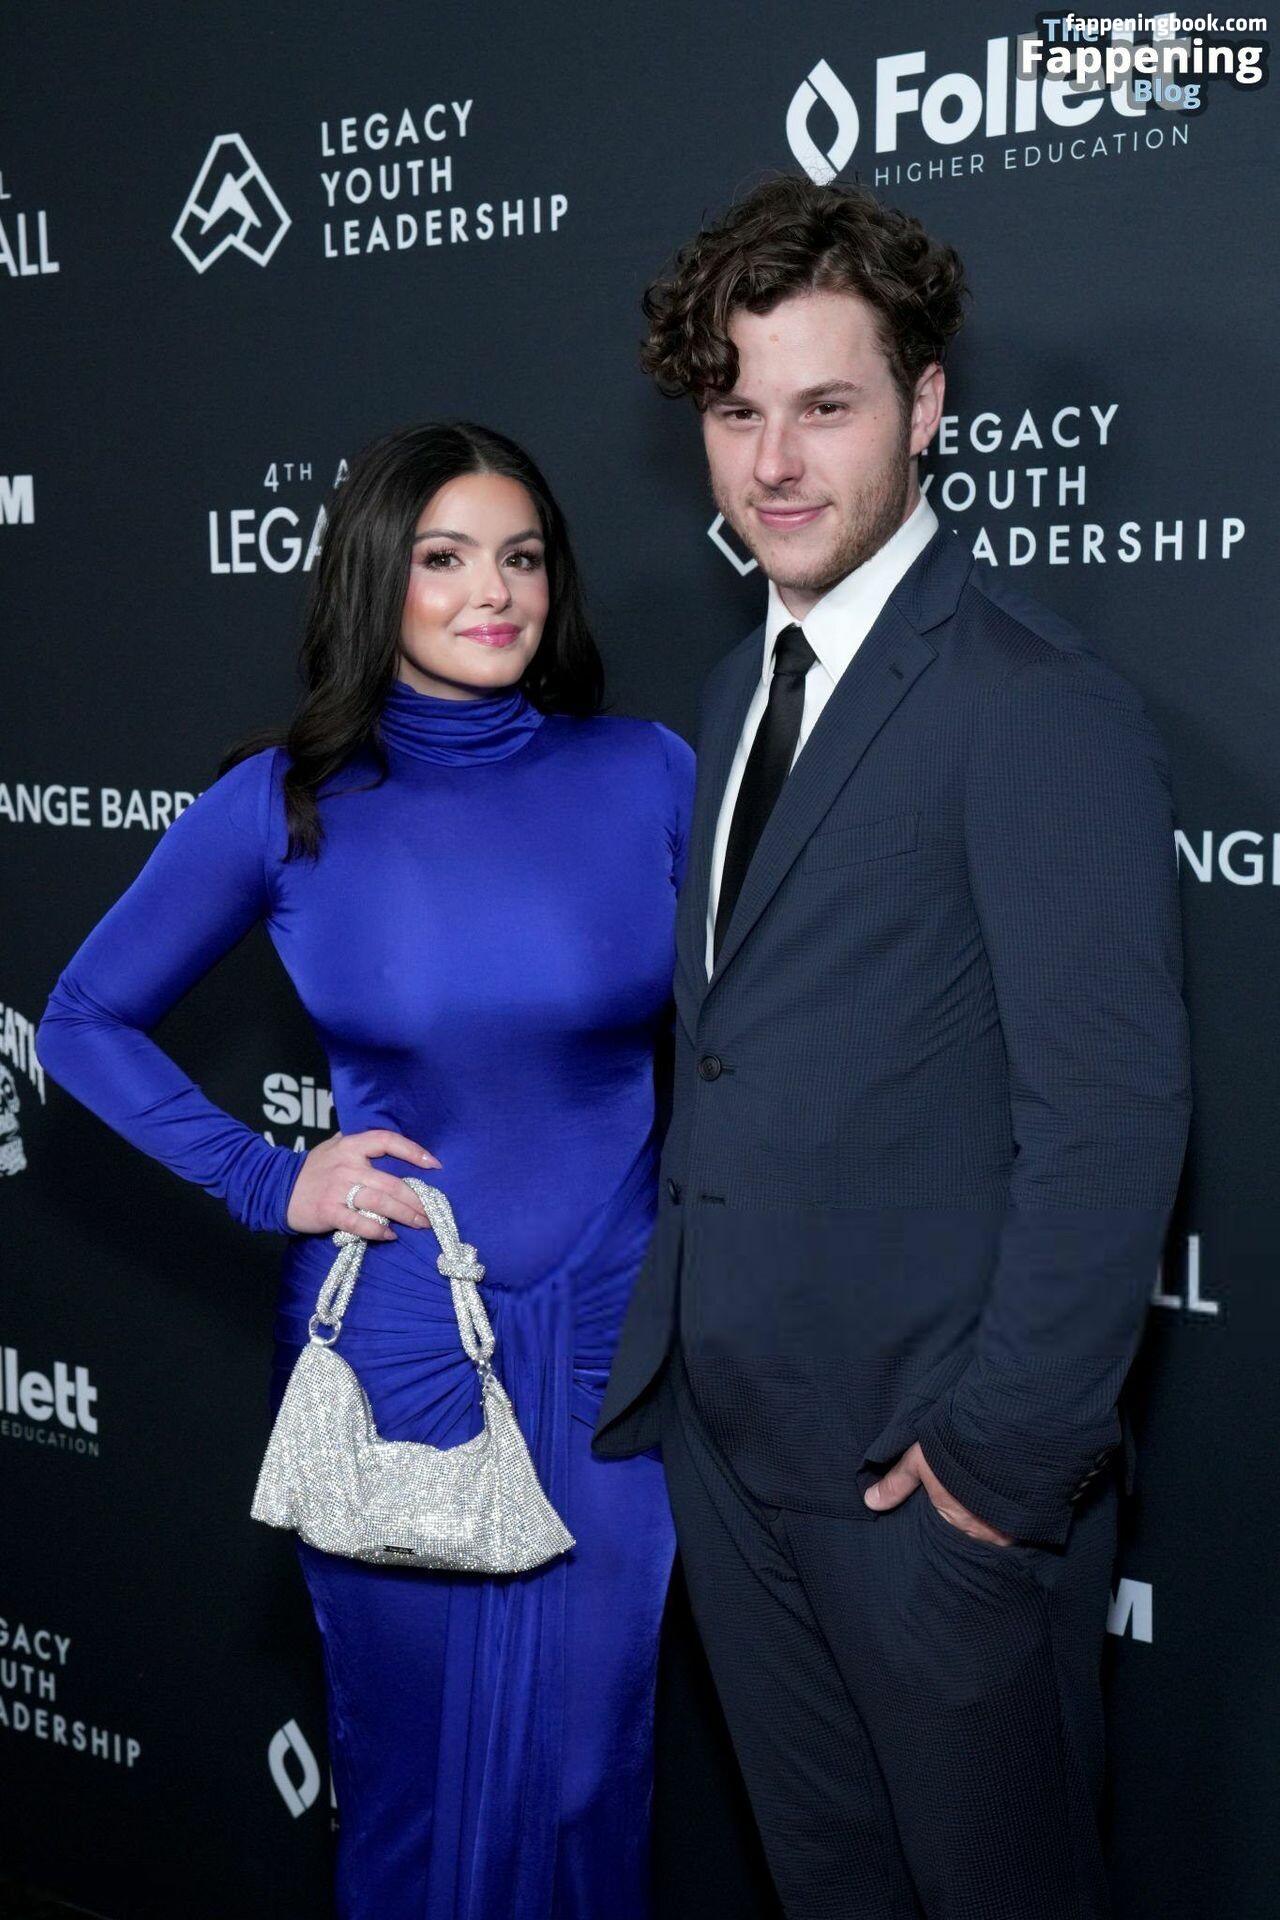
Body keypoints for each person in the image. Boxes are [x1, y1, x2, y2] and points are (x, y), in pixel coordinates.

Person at [594, 175, 1192, 1919]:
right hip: (732, 1459)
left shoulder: (1031, 701)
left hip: (926, 1494)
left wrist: (998, 1476)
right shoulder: (738, 690)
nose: (775, 463)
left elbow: (1111, 1112)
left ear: (926, 408)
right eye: (736, 413)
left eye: (827, 407)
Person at [37, 420, 694, 1920]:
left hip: (619, 1336)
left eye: (522, 557)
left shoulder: (649, 771)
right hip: (405, 1344)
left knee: (589, 1765)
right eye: (444, 558)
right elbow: (81, 1020)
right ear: (374, 577)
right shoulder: (288, 801)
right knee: (417, 1774)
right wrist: (267, 1178)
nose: (493, 593)